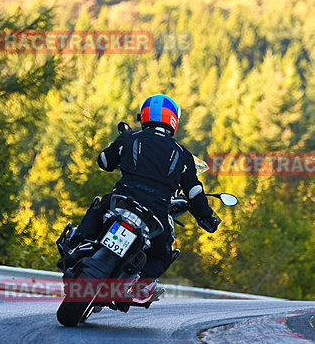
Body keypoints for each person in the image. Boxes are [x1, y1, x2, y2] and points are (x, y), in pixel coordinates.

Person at [58, 94, 221, 292]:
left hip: (122, 201)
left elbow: (104, 161)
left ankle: (77, 245)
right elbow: (194, 192)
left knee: (98, 208)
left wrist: (120, 143)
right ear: (173, 120)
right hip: (156, 211)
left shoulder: (131, 138)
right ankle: (139, 286)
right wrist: (206, 217)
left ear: (144, 115)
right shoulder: (183, 154)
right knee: (163, 254)